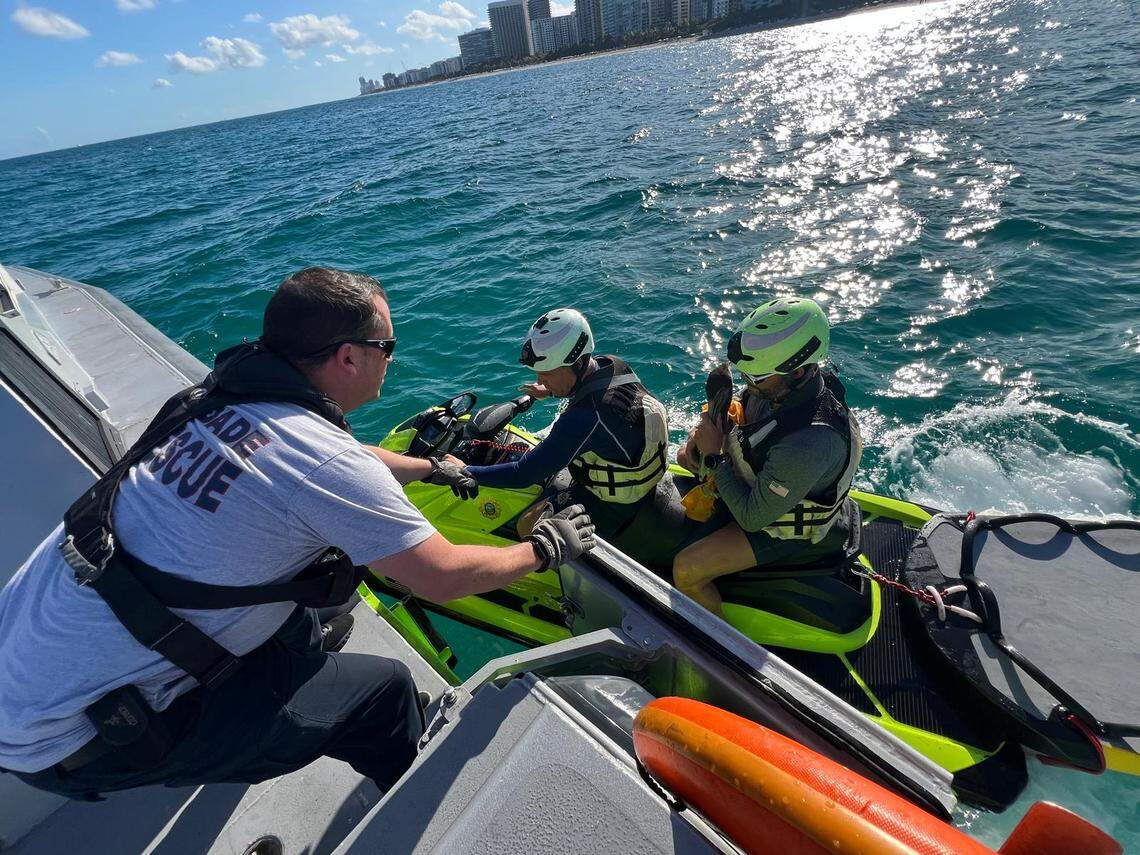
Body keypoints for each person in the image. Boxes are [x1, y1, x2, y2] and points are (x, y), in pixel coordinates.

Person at [0, 267, 595, 800]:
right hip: (77, 742)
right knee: (384, 690)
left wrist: (434, 468)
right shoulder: (320, 461)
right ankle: (420, 800)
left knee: (307, 624)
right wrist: (543, 547)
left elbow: (335, 453)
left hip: (27, 671)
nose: (392, 359)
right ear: (347, 358)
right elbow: (440, 577)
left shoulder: (219, 399)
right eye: (387, 347)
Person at [672, 297, 863, 616]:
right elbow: (747, 411)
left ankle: (722, 648)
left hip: (782, 527)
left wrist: (714, 458)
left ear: (799, 371)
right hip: (769, 481)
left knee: (687, 570)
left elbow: (752, 517)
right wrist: (704, 435)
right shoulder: (779, 388)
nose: (747, 382)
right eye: (744, 373)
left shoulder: (808, 443)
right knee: (681, 456)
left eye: (756, 377)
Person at [465, 308, 670, 550]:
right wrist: (551, 390)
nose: (540, 381)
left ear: (577, 362)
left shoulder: (584, 417)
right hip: (637, 467)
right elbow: (591, 397)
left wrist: (467, 471)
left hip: (615, 505)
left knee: (526, 526)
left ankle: (562, 575)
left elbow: (523, 474)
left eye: (548, 374)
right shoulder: (612, 365)